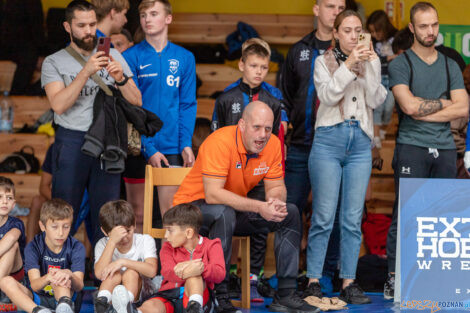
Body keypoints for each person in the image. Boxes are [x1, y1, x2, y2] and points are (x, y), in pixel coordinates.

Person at [173, 101, 321, 313]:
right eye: (257, 127)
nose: (263, 135)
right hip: (189, 210)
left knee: (290, 213)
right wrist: (260, 207)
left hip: (228, 212)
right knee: (224, 212)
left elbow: (277, 186)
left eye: (268, 129)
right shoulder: (221, 141)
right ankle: (220, 297)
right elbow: (213, 194)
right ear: (242, 124)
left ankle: (286, 294)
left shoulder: (271, 145)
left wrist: (275, 202)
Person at [385, 1, 468, 300]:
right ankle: (395, 277)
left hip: (445, 147)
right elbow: (407, 107)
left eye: (434, 24)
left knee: (443, 218)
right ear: (412, 28)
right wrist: (445, 104)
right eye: (423, 26)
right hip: (412, 146)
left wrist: (424, 108)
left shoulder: (450, 65)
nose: (430, 31)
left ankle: (435, 279)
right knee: (406, 214)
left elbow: (464, 107)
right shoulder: (400, 63)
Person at [41, 0, 141, 244]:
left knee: (106, 214)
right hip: (71, 140)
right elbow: (59, 105)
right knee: (63, 212)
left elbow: (137, 100)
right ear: (68, 27)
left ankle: (103, 276)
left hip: (107, 141)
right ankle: (55, 274)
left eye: (92, 24)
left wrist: (120, 78)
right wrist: (86, 71)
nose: (88, 31)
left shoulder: (112, 53)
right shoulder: (53, 61)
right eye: (81, 25)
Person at [307, 9, 386, 305]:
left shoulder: (370, 59)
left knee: (353, 218)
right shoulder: (322, 62)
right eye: (348, 31)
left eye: (358, 31)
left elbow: (376, 98)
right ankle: (314, 279)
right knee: (324, 216)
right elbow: (327, 96)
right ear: (336, 33)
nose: (354, 36)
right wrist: (350, 64)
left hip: (360, 142)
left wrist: (371, 66)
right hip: (329, 140)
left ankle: (349, 281)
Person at [211, 37, 285, 301]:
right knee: (224, 223)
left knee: (261, 223)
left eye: (263, 68)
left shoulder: (273, 100)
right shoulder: (227, 97)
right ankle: (227, 277)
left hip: (258, 175)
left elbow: (276, 142)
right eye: (253, 66)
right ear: (241, 64)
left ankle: (253, 278)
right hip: (228, 178)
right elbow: (215, 138)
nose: (258, 72)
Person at [280, 0, 345, 294]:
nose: (335, 11)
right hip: (301, 144)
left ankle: (326, 274)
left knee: (330, 213)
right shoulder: (299, 50)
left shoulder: (352, 51)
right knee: (290, 210)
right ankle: (288, 278)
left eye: (341, 6)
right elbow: (284, 96)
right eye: (330, 6)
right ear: (316, 9)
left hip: (336, 145)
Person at [122, 0, 196, 219]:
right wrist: (149, 148)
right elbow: (130, 108)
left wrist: (185, 144)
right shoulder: (130, 56)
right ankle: (141, 256)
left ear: (168, 18)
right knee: (137, 215)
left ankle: (166, 255)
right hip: (138, 148)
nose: (147, 19)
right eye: (143, 15)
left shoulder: (185, 58)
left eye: (154, 14)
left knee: (170, 216)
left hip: (172, 147)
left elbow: (187, 105)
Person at [0, 199, 86, 313]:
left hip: (67, 295)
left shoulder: (76, 246)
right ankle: (39, 311)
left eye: (66, 227)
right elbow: (35, 285)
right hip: (38, 298)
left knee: (60, 278)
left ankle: (64, 306)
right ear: (42, 226)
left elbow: (79, 285)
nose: (60, 233)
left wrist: (68, 274)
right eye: (54, 227)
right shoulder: (33, 246)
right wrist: (47, 278)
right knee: (5, 281)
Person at [138, 203, 225, 313]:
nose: (165, 236)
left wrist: (201, 268)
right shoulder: (167, 247)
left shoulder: (212, 245)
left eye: (170, 230)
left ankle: (194, 308)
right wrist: (190, 267)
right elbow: (167, 272)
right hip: (169, 295)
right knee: (151, 305)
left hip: (200, 297)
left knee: (194, 277)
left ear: (188, 233)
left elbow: (220, 273)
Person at [93, 200, 157, 313]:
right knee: (114, 275)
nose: (124, 238)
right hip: (110, 297)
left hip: (138, 296)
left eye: (127, 231)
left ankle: (126, 305)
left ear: (134, 225)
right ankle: (102, 303)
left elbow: (152, 271)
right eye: (116, 235)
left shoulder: (145, 240)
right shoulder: (103, 244)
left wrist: (123, 262)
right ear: (104, 231)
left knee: (130, 272)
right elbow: (99, 274)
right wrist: (112, 242)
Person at [366, 10, 397, 144]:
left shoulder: (396, 37)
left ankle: (382, 127)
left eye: (376, 31)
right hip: (377, 77)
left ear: (384, 28)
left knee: (389, 106)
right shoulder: (370, 40)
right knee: (377, 107)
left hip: (392, 78)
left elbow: (403, 54)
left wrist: (393, 57)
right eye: (371, 32)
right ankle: (376, 136)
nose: (374, 35)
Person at [0, 177, 26, 303]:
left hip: (15, 276)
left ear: (13, 204)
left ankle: (2, 290)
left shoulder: (16, 223)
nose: (4, 201)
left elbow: (11, 237)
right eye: (0, 197)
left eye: (9, 198)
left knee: (12, 245)